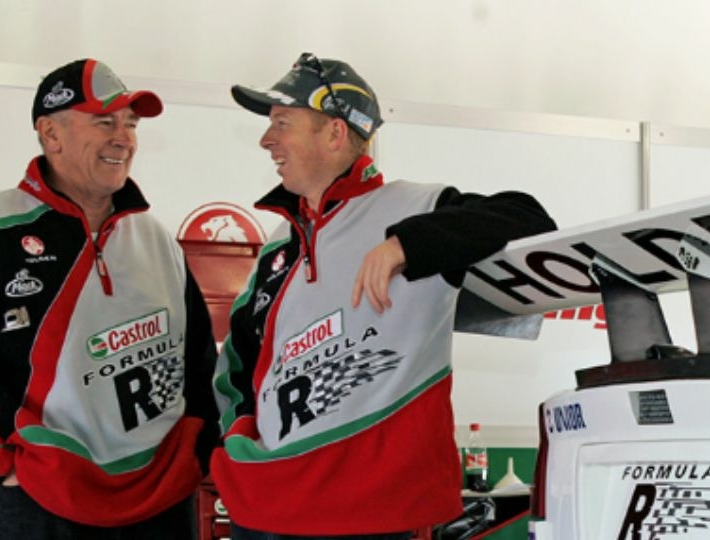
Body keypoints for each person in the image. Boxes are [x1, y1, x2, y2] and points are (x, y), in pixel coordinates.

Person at [211, 52, 556, 539]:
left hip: (366, 517)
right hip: (264, 507)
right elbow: (239, 365)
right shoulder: (279, 245)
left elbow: (528, 217)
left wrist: (405, 245)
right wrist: (239, 442)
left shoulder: (415, 206)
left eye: (282, 123)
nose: (267, 140)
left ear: (334, 133)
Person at [0, 59, 218, 539]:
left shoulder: (154, 237)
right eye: (104, 122)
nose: (124, 138)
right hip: (38, 501)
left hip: (159, 501)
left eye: (130, 124)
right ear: (51, 133)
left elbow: (198, 361)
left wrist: (193, 453)